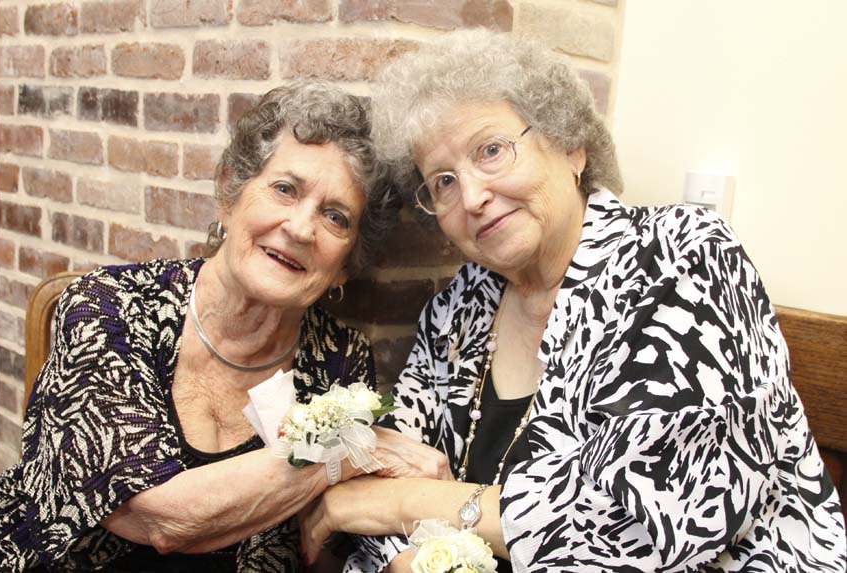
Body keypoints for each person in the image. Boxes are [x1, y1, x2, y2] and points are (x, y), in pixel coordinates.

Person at [300, 31, 847, 573]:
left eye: (491, 151)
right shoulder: (457, 309)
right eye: (443, 181)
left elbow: (658, 522)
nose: (472, 197)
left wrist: (412, 505)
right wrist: (404, 560)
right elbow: (381, 489)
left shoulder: (682, 259)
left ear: (571, 148)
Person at [0, 81, 449, 572]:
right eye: (285, 190)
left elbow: (325, 541)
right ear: (230, 193)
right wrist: (352, 448)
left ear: (345, 265)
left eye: (335, 217)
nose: (300, 228)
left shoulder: (338, 358)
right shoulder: (110, 307)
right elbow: (159, 519)